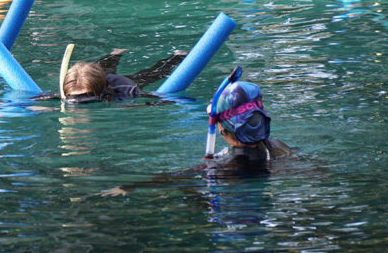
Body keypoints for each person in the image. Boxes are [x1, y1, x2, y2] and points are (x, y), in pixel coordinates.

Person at [100, 72, 293, 196]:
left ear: (221, 128)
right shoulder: (278, 147)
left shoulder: (222, 167)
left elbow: (174, 178)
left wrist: (131, 186)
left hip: (232, 205)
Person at [32, 48, 188, 103]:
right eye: (75, 100)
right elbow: (38, 99)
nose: (81, 103)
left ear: (100, 92)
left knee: (151, 74)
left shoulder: (126, 88)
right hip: (97, 78)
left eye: (87, 98)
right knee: (101, 67)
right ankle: (116, 53)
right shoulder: (70, 91)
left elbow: (154, 97)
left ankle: (178, 56)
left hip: (116, 84)